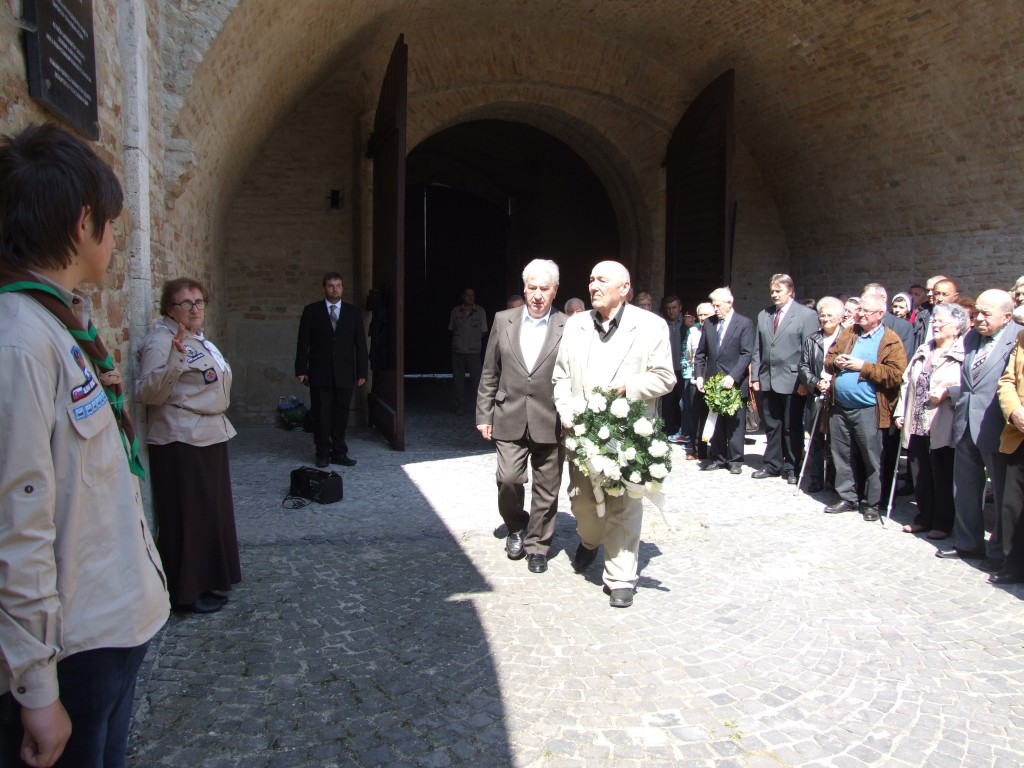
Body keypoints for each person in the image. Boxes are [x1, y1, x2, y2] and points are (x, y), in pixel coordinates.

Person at [0, 124, 169, 768]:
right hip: (71, 647)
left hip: (109, 625)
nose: (116, 241)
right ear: (82, 224)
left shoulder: (61, 324)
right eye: (111, 225)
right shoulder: (20, 342)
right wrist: (37, 688)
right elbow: (18, 521)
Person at [553, 260, 674, 608]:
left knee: (624, 503)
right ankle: (590, 540)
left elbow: (665, 377)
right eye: (591, 279)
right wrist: (566, 411)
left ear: (624, 288)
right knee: (583, 503)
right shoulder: (576, 325)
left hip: (627, 434)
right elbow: (561, 376)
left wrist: (629, 387)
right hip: (582, 434)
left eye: (601, 280)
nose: (593, 285)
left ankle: (621, 576)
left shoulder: (650, 326)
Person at [136, 278, 242, 614]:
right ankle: (186, 593)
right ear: (169, 309)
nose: (194, 309)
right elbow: (147, 392)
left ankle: (208, 580)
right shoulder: (161, 341)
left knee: (209, 512)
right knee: (189, 516)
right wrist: (174, 360)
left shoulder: (198, 338)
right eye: (185, 303)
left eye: (199, 302)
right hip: (181, 437)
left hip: (208, 434)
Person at [476, 260, 567, 574]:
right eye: (532, 288)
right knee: (509, 479)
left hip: (551, 417)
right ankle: (516, 526)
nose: (537, 295)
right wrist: (484, 413)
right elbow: (490, 370)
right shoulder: (503, 320)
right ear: (524, 288)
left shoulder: (568, 325)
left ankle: (538, 545)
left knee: (547, 487)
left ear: (555, 291)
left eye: (544, 288)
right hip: (509, 413)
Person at [936, 290, 1016, 570]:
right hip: (966, 423)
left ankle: (999, 551)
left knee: (1003, 493)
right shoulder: (971, 337)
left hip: (997, 426)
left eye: (986, 314)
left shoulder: (1017, 339)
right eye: (977, 312)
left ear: (1007, 316)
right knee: (965, 488)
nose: (978, 318)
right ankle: (968, 543)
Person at [822, 291, 907, 521]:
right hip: (840, 406)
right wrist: (836, 361)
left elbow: (896, 375)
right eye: (859, 309)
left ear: (880, 314)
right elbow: (829, 359)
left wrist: (864, 366)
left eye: (865, 311)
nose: (859, 314)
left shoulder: (890, 340)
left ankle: (872, 503)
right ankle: (847, 497)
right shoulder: (849, 333)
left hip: (869, 409)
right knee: (841, 454)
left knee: (872, 458)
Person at [893, 303, 968, 539]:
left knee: (942, 473)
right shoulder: (924, 349)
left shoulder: (964, 353)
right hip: (917, 421)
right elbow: (907, 382)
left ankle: (943, 522)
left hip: (943, 422)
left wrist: (948, 393)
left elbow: (969, 387)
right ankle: (924, 517)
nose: (935, 325)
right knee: (920, 472)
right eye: (934, 321)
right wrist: (900, 412)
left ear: (957, 328)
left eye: (941, 322)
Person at [750, 274, 819, 483]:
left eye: (778, 291)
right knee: (772, 424)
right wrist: (755, 375)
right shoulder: (764, 315)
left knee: (792, 425)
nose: (774, 294)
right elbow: (758, 347)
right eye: (772, 291)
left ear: (790, 291)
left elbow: (809, 350)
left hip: (793, 380)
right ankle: (772, 463)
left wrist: (805, 382)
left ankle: (792, 466)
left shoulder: (806, 315)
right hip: (768, 377)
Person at [295, 272, 368, 467]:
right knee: (321, 414)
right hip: (320, 372)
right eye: (330, 285)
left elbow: (360, 344)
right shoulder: (312, 311)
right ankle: (322, 452)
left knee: (341, 414)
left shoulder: (353, 313)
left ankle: (339, 452)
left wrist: (362, 371)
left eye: (338, 285)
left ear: (342, 288)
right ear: (324, 288)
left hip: (345, 372)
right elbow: (303, 343)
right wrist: (301, 369)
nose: (334, 289)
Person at [693, 287, 755, 475]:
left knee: (735, 423)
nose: (715, 309)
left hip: (734, 381)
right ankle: (718, 457)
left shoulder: (744, 323)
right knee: (716, 421)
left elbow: (746, 354)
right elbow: (701, 353)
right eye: (713, 305)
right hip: (713, 380)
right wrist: (700, 375)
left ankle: (735, 460)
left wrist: (733, 376)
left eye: (718, 306)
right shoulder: (709, 323)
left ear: (730, 303)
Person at [798, 296, 845, 493]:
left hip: (837, 395)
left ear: (840, 317)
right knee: (815, 438)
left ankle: (834, 479)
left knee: (835, 439)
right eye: (822, 315)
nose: (825, 319)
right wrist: (816, 382)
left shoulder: (847, 339)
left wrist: (833, 384)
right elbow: (803, 365)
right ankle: (816, 478)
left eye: (830, 316)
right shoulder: (812, 339)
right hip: (817, 394)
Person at [994, 325, 1024, 584]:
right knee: (1013, 504)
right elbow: (1007, 381)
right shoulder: (1022, 338)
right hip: (1018, 435)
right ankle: (1014, 564)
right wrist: (1014, 411)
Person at [447, 287, 488, 414]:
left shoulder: (480, 311)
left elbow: (483, 330)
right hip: (458, 351)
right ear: (462, 296)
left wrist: (473, 340)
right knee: (458, 381)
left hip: (473, 351)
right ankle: (460, 406)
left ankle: (481, 408)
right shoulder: (455, 311)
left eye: (472, 295)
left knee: (477, 381)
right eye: (468, 295)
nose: (470, 297)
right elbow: (452, 329)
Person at [686, 303, 714, 461]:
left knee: (711, 416)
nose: (703, 318)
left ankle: (712, 447)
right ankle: (696, 448)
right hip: (696, 379)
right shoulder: (693, 333)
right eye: (700, 315)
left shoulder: (717, 331)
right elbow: (690, 356)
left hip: (713, 380)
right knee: (696, 416)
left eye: (706, 314)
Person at [660, 295, 685, 442]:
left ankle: (683, 431)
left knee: (683, 402)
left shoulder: (687, 324)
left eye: (674, 307)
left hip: (683, 371)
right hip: (668, 369)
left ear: (680, 308)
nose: (671, 311)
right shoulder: (662, 324)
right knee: (667, 403)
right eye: (668, 308)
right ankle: (667, 431)